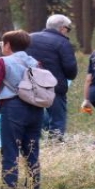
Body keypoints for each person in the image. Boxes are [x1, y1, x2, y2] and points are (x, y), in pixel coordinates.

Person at [0, 30, 44, 189]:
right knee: (31, 150)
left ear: (8, 45)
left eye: (2, 43)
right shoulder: (36, 63)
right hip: (36, 109)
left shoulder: (3, 61)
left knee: (11, 149)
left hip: (13, 108)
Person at [26, 14, 78, 142]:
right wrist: (69, 76)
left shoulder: (29, 38)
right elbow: (70, 68)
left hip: (29, 85)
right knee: (57, 119)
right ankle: (55, 146)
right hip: (54, 87)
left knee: (33, 115)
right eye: (68, 29)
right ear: (62, 28)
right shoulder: (63, 42)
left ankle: (34, 144)